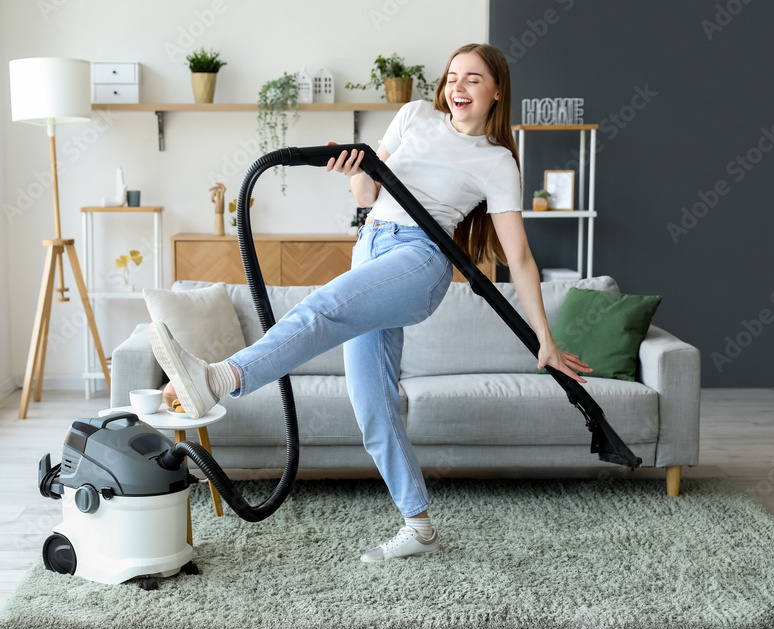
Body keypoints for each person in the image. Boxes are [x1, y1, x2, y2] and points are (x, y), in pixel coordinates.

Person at [150, 43, 592, 563]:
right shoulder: (413, 115)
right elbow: (368, 195)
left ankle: (220, 378)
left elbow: (518, 257)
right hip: (371, 245)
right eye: (452, 77)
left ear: (496, 91)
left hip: (419, 262)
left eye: (473, 79)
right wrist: (351, 170)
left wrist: (546, 340)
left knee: (323, 309)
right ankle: (419, 524)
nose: (458, 87)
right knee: (372, 407)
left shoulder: (495, 162)